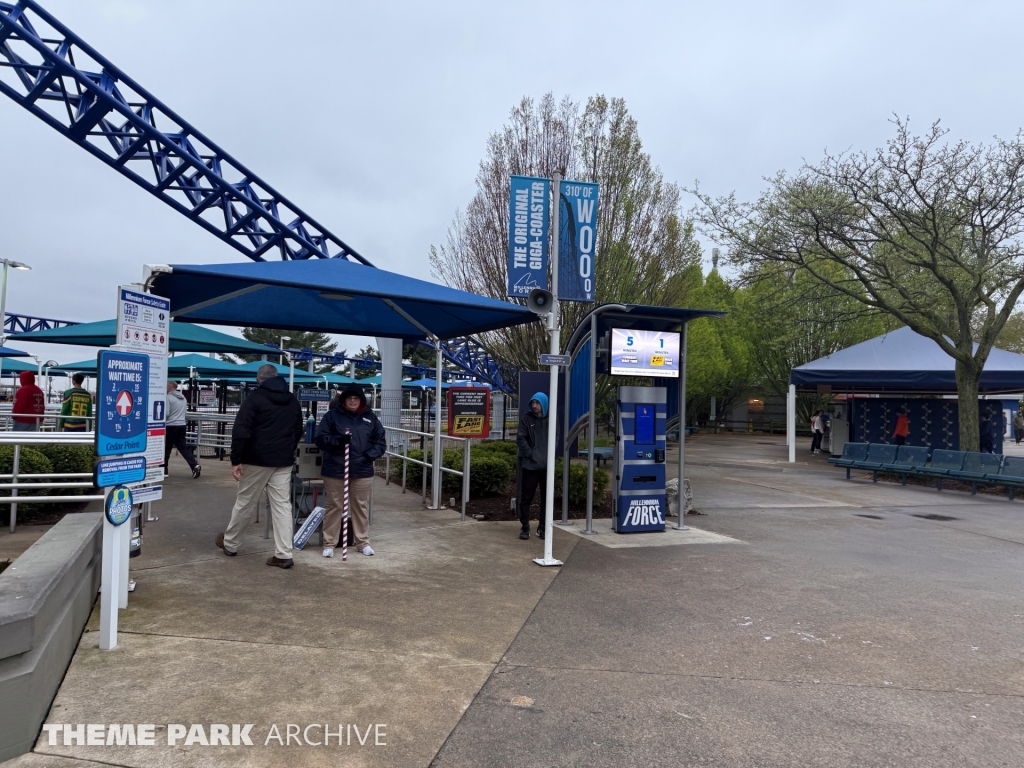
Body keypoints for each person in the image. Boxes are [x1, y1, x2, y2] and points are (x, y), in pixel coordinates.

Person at [216, 364, 303, 568]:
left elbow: (241, 430)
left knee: (246, 502)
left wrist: (236, 459)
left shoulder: (254, 399)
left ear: (258, 380)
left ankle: (231, 543)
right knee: (282, 506)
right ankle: (284, 554)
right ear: (277, 377)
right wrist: (287, 450)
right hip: (283, 460)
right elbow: (298, 429)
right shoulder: (292, 400)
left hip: (255, 459)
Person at [315, 385, 386, 558]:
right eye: (349, 398)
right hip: (335, 467)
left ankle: (363, 542)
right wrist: (338, 441)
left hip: (362, 468)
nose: (353, 401)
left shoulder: (370, 418)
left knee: (360, 506)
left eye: (356, 398)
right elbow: (320, 439)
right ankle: (329, 543)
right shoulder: (331, 416)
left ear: (361, 400)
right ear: (343, 400)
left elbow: (380, 442)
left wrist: (368, 456)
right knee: (334, 505)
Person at [516, 392, 549, 540]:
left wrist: (548, 456)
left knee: (546, 499)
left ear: (544, 404)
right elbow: (520, 438)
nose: (535, 406)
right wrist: (530, 454)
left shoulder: (552, 419)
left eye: (537, 403)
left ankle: (542, 528)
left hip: (546, 466)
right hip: (530, 466)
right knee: (526, 497)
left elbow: (555, 438)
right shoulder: (526, 419)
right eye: (533, 403)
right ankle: (525, 527)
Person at [164, 381, 201, 479]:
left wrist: (163, 420)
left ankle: (164, 470)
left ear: (170, 387)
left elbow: (166, 413)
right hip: (182, 425)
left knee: (167, 448)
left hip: (170, 425)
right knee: (183, 448)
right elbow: (184, 412)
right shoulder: (183, 398)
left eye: (166, 386)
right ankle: (194, 465)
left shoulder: (168, 397)